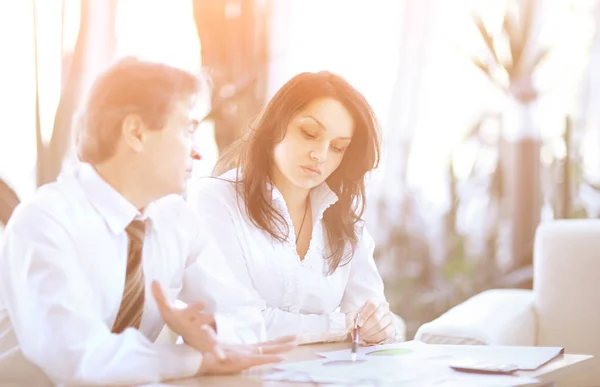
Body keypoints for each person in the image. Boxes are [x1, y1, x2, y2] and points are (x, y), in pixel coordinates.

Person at [0, 57, 294, 387]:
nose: (197, 152)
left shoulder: (175, 218)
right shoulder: (44, 222)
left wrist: (210, 331)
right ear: (136, 132)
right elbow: (79, 360)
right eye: (187, 131)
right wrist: (195, 358)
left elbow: (248, 316)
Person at [188, 71, 406, 345]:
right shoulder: (217, 200)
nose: (321, 155)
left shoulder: (346, 224)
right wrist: (342, 325)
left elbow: (369, 317)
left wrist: (379, 327)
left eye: (338, 147)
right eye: (309, 133)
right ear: (276, 125)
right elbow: (234, 324)